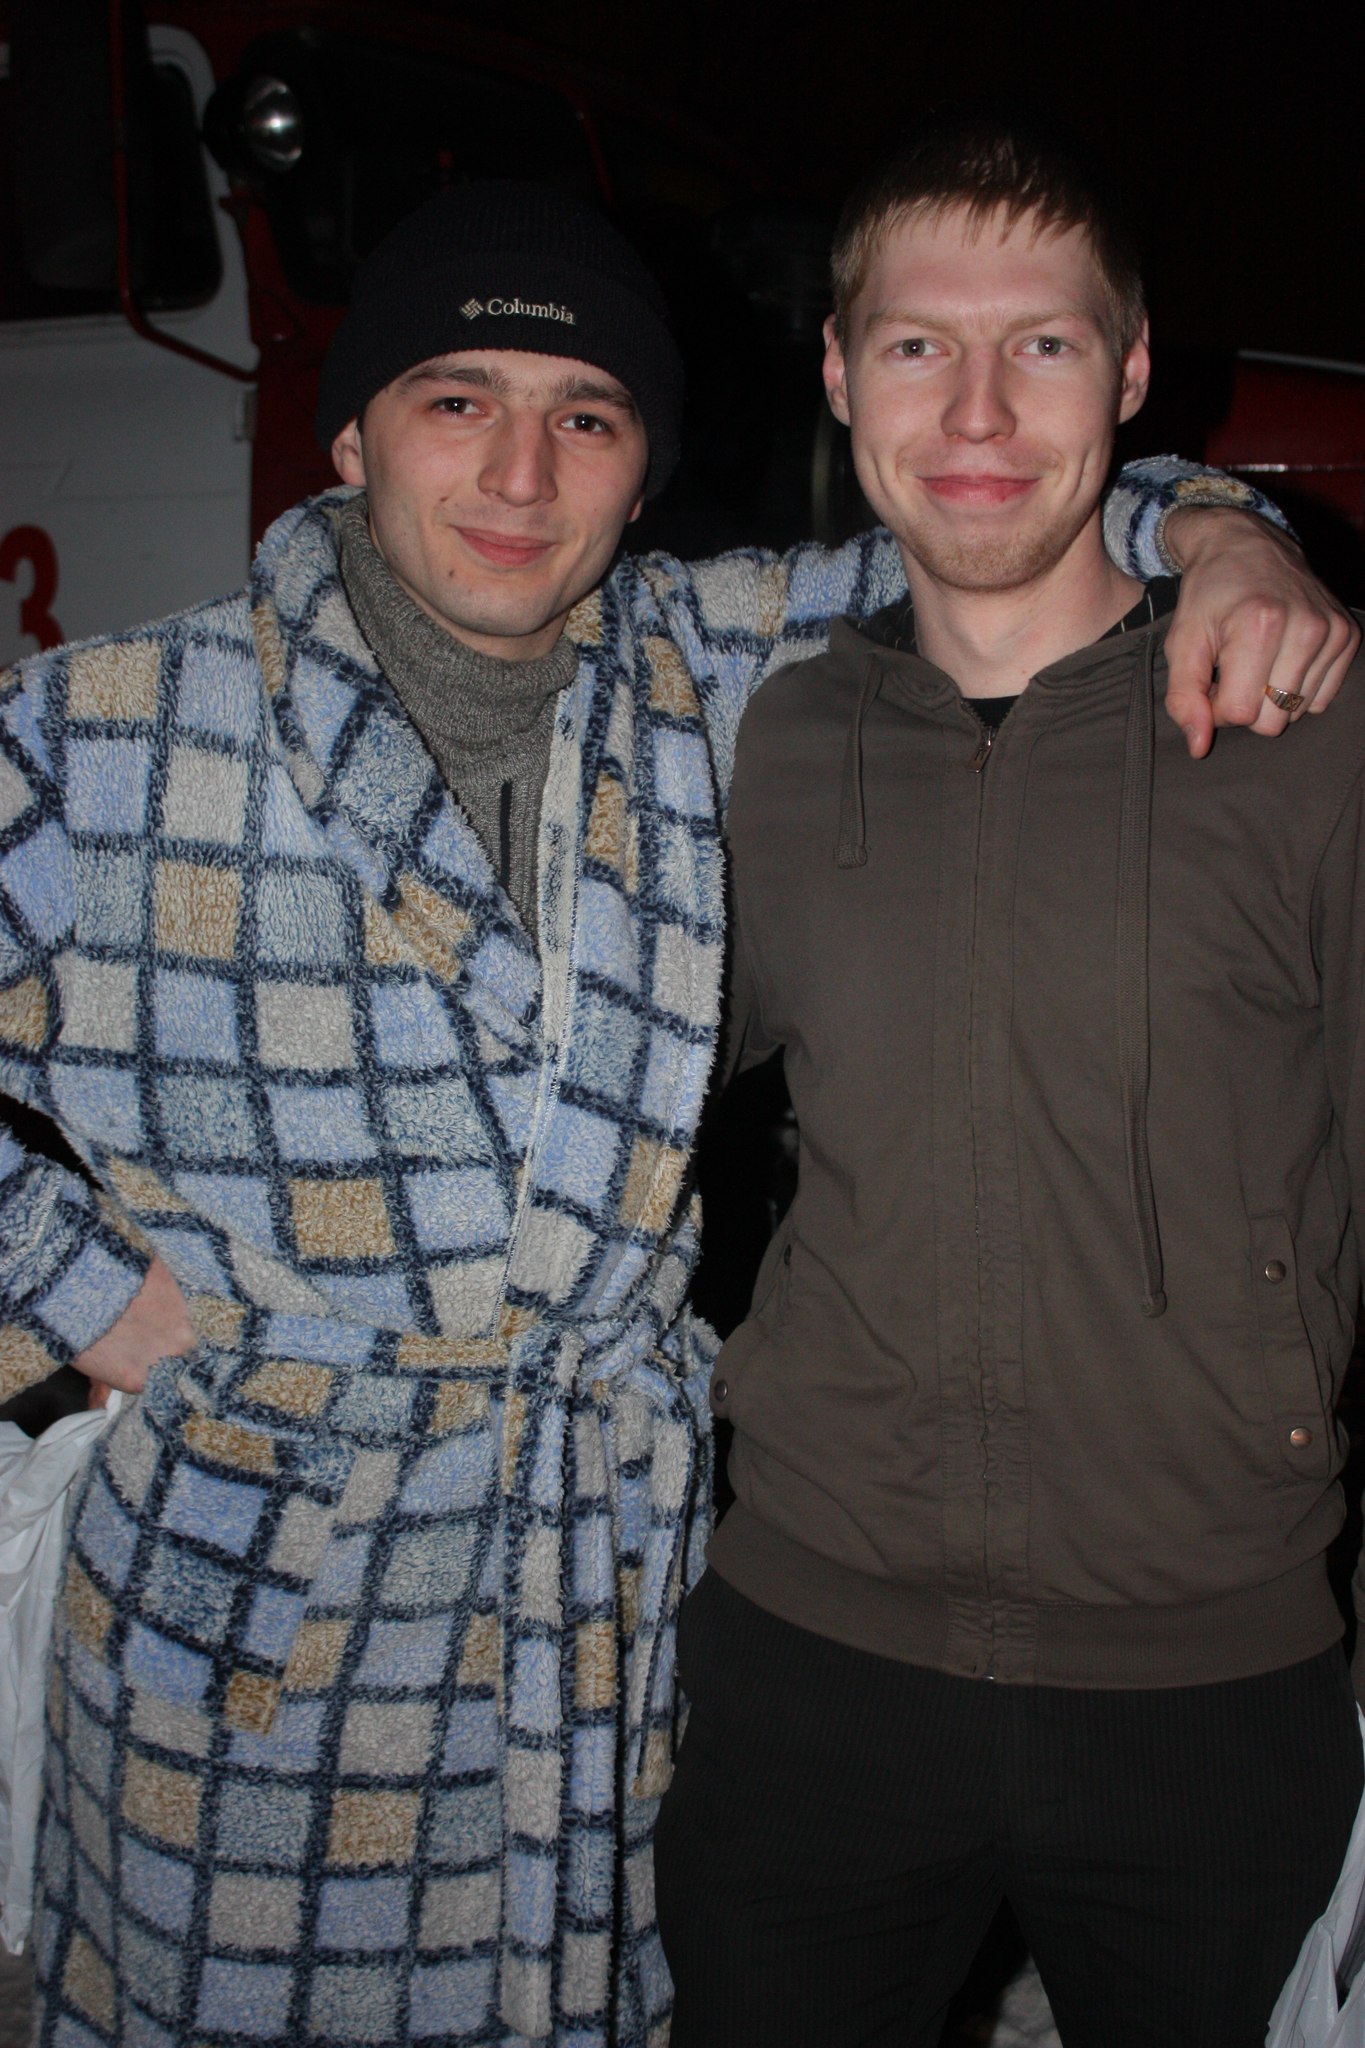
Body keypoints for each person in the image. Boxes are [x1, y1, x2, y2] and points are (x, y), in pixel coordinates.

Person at [0, 177, 1352, 2048]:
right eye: (456, 399)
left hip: (597, 1596)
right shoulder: (115, 730)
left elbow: (989, 507)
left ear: (645, 473)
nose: (519, 474)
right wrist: (69, 1287)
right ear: (349, 436)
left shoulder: (700, 662)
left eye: (588, 417)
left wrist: (1228, 535)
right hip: (264, 1599)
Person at [653, 118, 1365, 2048]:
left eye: (1040, 345)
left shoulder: (1302, 725)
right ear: (836, 372)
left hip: (1209, 1685)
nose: (974, 410)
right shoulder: (764, 739)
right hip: (812, 1659)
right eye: (916, 346)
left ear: (1128, 378)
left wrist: (1232, 534)